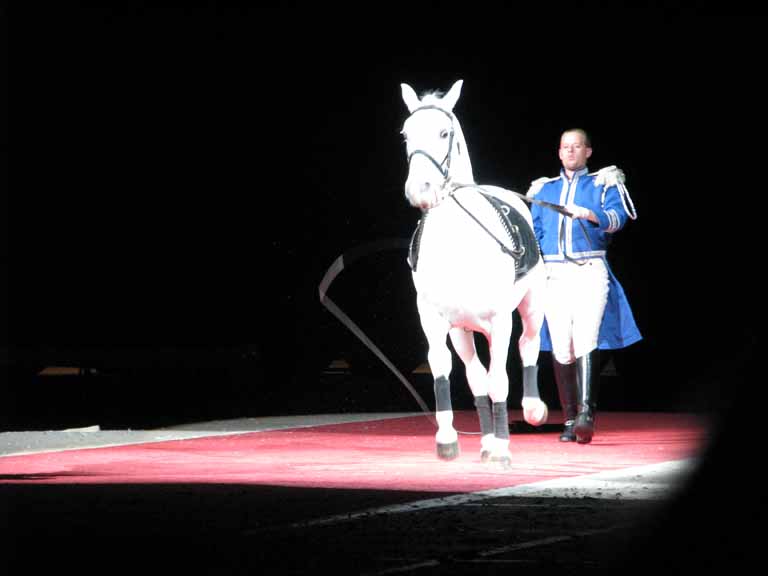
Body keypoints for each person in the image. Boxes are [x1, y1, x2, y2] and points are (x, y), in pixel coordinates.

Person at [527, 128, 641, 444]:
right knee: (562, 345)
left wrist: (590, 214)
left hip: (590, 270)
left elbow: (619, 219)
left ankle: (587, 415)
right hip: (553, 275)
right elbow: (535, 235)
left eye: (577, 146)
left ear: (588, 151)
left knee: (586, 336)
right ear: (559, 152)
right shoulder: (543, 190)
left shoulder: (603, 184)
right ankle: (569, 419)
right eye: (565, 147)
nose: (571, 151)